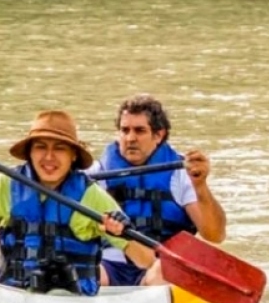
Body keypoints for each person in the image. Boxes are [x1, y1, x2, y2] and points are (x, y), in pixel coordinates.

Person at [0, 110, 154, 296]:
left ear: (73, 156)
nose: (49, 157)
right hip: (12, 297)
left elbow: (146, 260)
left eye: (59, 148)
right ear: (30, 153)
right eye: (41, 147)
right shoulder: (4, 186)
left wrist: (120, 233)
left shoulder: (91, 196)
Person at [89, 94, 227, 287]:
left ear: (158, 135)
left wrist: (201, 186)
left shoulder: (181, 174)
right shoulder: (96, 174)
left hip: (160, 267)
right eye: (124, 130)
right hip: (110, 265)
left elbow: (215, 235)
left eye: (139, 131)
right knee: (82, 272)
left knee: (161, 272)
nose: (130, 138)